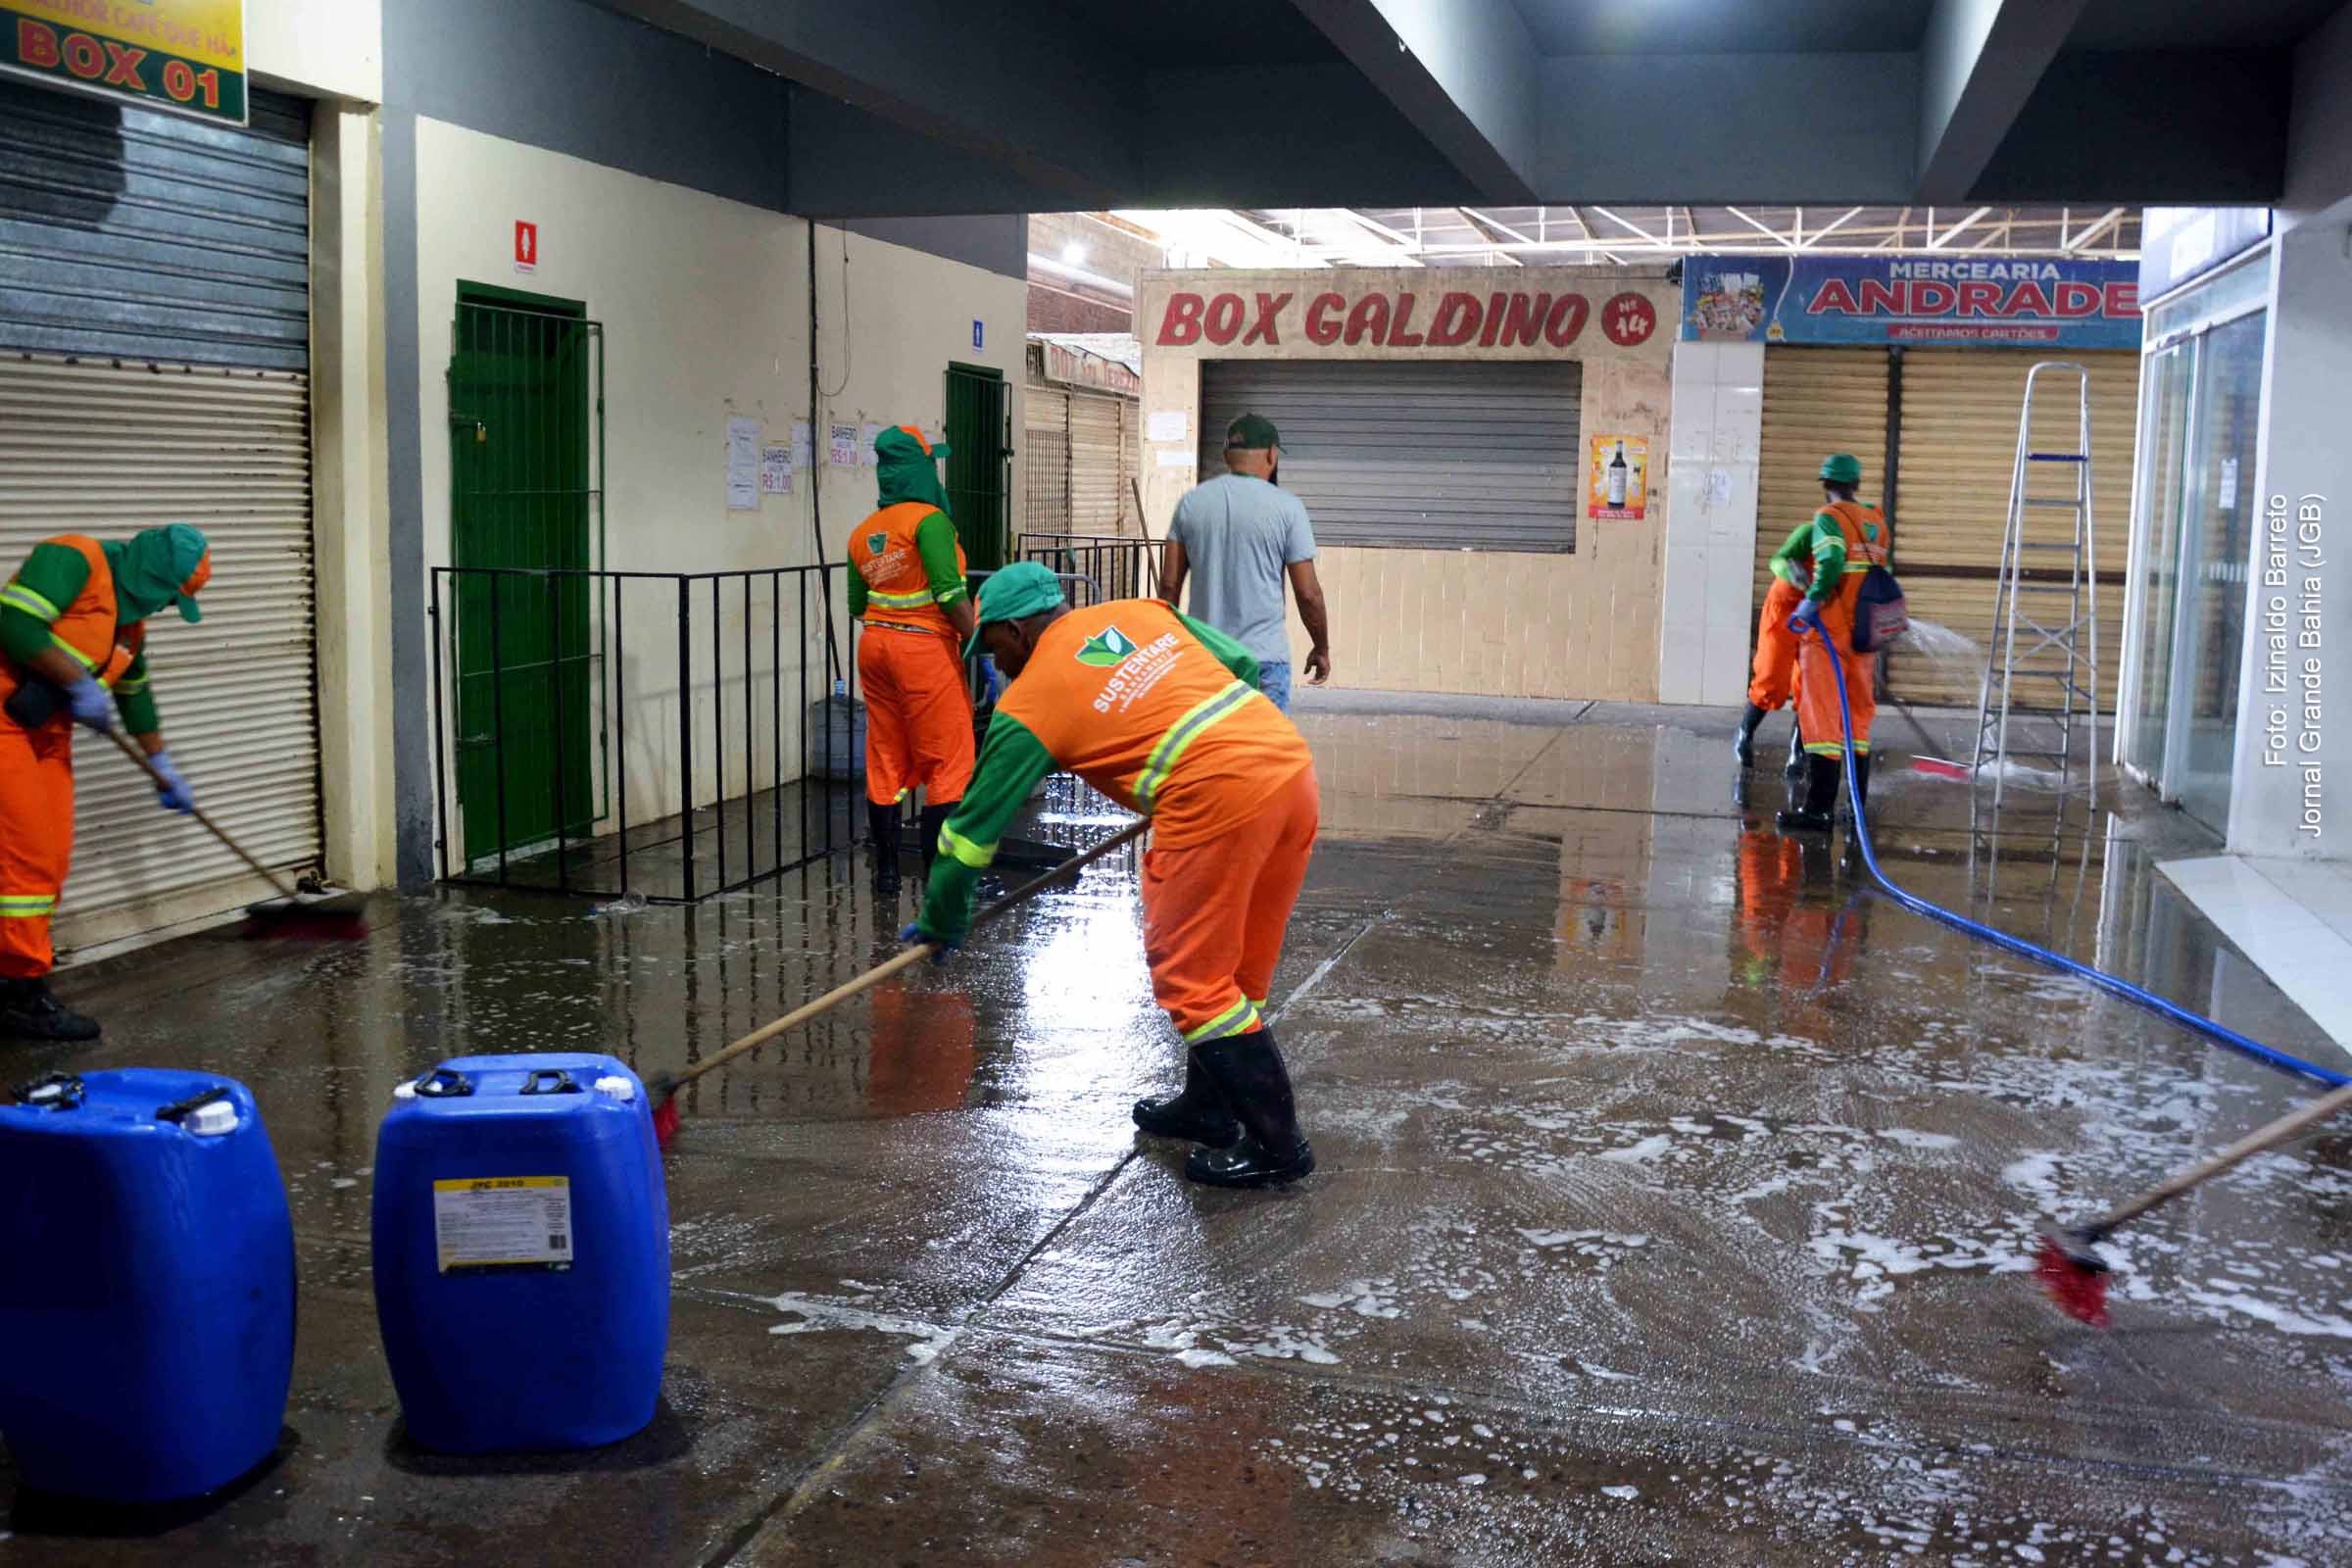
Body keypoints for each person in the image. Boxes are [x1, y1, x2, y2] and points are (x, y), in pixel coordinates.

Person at [906, 563, 1319, 1188]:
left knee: (1193, 981)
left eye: (990, 646)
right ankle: (1208, 1110)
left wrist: (943, 917)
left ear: (1015, 631)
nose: (994, 664)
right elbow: (1240, 666)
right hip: (1287, 768)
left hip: (1215, 799)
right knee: (1235, 974)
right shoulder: (1140, 613)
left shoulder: (1030, 702)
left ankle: (1279, 1150)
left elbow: (968, 837)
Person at [0, 523, 209, 1042]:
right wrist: (76, 680)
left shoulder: (129, 627)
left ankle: (16, 979)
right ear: (153, 578)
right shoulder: (74, 558)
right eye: (169, 598)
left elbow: (135, 695)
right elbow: (13, 622)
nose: (165, 610)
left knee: (50, 856)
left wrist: (161, 764)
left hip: (45, 731)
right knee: (26, 860)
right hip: (4, 721)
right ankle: (20, 994)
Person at [848, 425, 977, 895]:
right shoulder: (929, 522)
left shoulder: (863, 532)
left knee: (885, 756)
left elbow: (857, 604)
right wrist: (980, 640)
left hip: (875, 648)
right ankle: (939, 879)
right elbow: (949, 592)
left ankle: (885, 875)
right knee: (947, 760)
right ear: (921, 469)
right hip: (924, 651)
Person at [1160, 413, 1330, 711]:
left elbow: (1169, 585)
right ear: (1272, 454)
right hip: (1264, 661)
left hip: (1206, 658)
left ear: (1226, 455)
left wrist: (1168, 647)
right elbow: (1308, 593)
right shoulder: (1288, 508)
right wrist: (1321, 646)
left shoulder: (1191, 503)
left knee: (1209, 751)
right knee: (1263, 754)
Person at [1778, 454, 1890, 833]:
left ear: (1826, 484)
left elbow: (1829, 563)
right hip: (1865, 633)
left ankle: (1818, 810)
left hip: (1830, 634)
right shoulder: (1875, 519)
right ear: (1856, 484)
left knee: (1823, 718)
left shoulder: (1828, 517)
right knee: (1858, 718)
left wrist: (1809, 605)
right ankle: (1855, 808)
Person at [1733, 518, 1818, 774]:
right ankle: (1744, 734)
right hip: (1783, 609)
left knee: (1811, 685)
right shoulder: (1808, 533)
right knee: (1771, 678)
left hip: (1816, 615)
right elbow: (1777, 560)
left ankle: (1797, 752)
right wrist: (1791, 571)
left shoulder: (1847, 545)